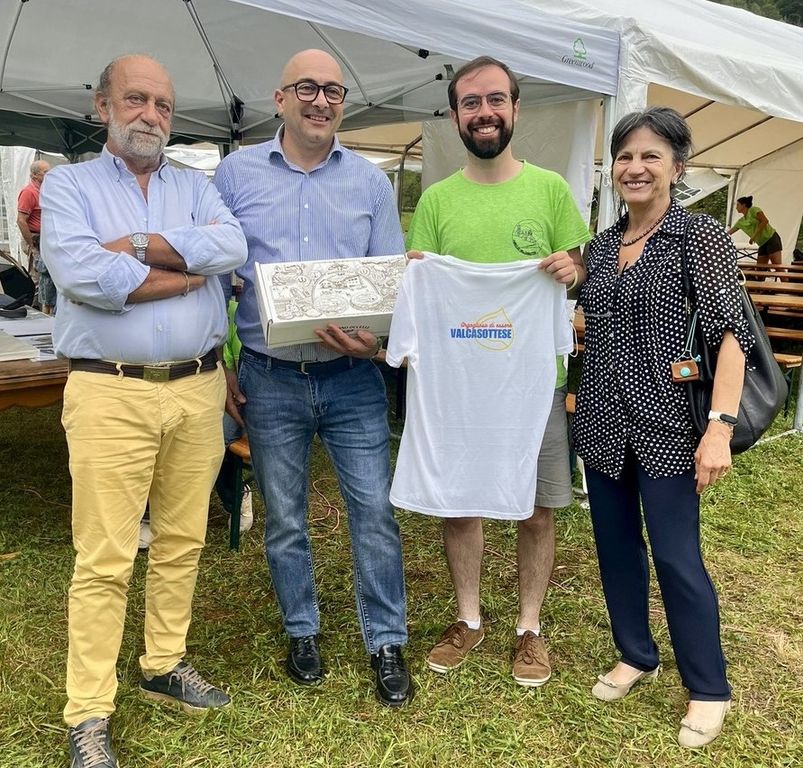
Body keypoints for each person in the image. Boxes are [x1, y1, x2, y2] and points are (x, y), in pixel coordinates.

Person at [40, 55, 247, 768]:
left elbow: (231, 246)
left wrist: (135, 248)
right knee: (103, 557)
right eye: (135, 99)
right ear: (103, 106)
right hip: (110, 389)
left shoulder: (196, 184)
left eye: (162, 104)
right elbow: (82, 274)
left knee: (183, 539)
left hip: (197, 386)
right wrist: (189, 273)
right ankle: (88, 712)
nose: (150, 115)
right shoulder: (68, 185)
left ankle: (163, 663)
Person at [212, 49, 410, 707]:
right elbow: (213, 277)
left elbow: (388, 282)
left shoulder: (370, 183)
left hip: (352, 378)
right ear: (280, 98)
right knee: (285, 518)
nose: (320, 100)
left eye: (332, 90)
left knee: (374, 512)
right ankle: (303, 630)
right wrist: (219, 360)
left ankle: (386, 641)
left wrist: (375, 339)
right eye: (306, 87)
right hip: (268, 378)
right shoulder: (235, 175)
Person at [405, 56, 589, 687]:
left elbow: (581, 270)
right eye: (471, 103)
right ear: (455, 115)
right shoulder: (436, 201)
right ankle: (469, 618)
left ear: (515, 107)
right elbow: (422, 289)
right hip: (460, 387)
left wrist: (571, 270)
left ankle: (529, 628)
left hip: (535, 383)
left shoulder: (550, 190)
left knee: (536, 508)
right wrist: (419, 275)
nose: (484, 113)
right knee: (462, 502)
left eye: (495, 100)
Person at [572, 107, 752, 748]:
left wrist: (719, 428)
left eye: (651, 156)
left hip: (671, 427)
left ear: (678, 167)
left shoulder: (698, 236)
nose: (635, 167)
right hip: (602, 423)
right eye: (625, 156)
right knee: (616, 547)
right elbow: (589, 326)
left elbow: (731, 336)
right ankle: (636, 653)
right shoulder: (600, 247)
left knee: (677, 556)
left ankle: (707, 686)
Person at [16, 159, 53, 311]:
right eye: (46, 172)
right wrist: (32, 246)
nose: (49, 174)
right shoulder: (29, 192)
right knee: (38, 277)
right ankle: (35, 311)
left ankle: (44, 309)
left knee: (47, 278)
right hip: (34, 239)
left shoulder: (44, 191)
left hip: (44, 239)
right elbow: (21, 221)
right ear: (35, 175)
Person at [727, 195, 783, 265]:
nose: (736, 207)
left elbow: (764, 221)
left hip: (771, 239)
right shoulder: (741, 221)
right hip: (762, 243)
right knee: (760, 268)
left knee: (777, 266)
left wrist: (753, 236)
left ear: (744, 205)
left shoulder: (753, 210)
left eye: (738, 205)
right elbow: (728, 233)